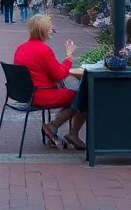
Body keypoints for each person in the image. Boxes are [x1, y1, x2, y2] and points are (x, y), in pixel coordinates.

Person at [12, 15, 81, 150]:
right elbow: (60, 74)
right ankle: (61, 129)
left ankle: (55, 127)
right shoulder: (43, 50)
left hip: (26, 94)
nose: (51, 31)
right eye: (50, 29)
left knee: (76, 94)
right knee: (82, 96)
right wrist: (69, 56)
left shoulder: (21, 48)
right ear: (44, 31)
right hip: (41, 94)